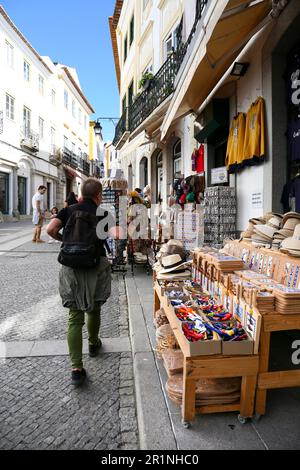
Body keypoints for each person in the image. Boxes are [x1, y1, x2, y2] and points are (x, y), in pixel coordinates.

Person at [47, 178, 112, 386]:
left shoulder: (68, 210)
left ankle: (76, 368)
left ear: (81, 193)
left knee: (74, 316)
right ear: (98, 195)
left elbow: (50, 230)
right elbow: (104, 239)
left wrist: (64, 241)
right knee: (94, 308)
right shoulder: (104, 214)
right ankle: (93, 344)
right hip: (95, 265)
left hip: (71, 266)